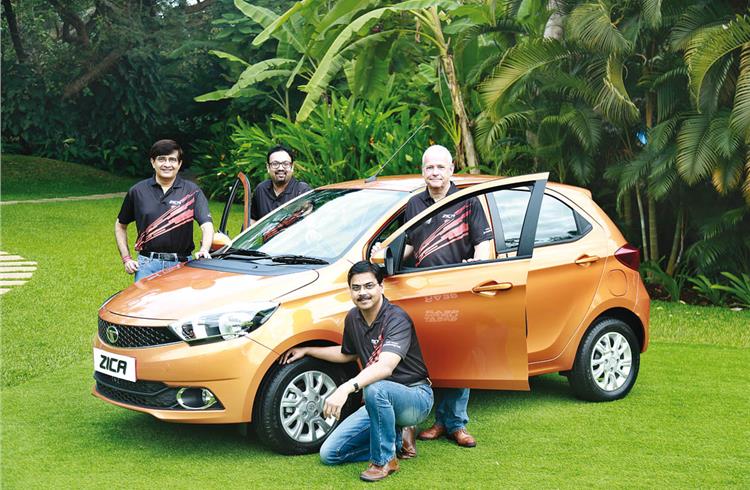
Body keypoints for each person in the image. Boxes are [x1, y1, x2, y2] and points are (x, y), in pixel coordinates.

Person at [280, 261, 433, 482]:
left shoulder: (397, 318)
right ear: (350, 291)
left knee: (376, 388)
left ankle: (384, 460)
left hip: (415, 396)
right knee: (330, 454)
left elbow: (385, 366)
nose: (363, 293)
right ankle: (396, 439)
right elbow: (347, 353)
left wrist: (345, 388)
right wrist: (308, 350)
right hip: (378, 401)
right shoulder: (353, 317)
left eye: (369, 286)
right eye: (356, 287)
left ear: (381, 287)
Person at [405, 145, 493, 448]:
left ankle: (457, 424)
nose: (435, 173)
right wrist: (383, 258)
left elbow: (483, 244)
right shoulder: (414, 204)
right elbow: (408, 246)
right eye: (429, 168)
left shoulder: (467, 202)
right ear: (422, 171)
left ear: (451, 169)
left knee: (459, 357)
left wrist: (477, 270)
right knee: (432, 358)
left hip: (457, 291)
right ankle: (439, 422)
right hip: (423, 293)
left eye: (440, 167)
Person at [115, 139, 214, 281]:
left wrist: (204, 249)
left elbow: (206, 225)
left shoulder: (192, 191)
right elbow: (120, 225)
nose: (167, 164)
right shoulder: (138, 191)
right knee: (144, 304)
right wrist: (126, 258)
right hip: (146, 266)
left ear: (179, 164)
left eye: (172, 160)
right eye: (162, 159)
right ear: (153, 162)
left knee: (179, 304)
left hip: (182, 265)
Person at [250, 144, 312, 224]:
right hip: (268, 237)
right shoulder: (261, 189)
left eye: (285, 164)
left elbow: (310, 223)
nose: (280, 168)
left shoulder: (302, 190)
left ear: (292, 167)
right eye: (275, 164)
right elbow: (252, 220)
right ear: (268, 167)